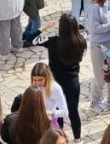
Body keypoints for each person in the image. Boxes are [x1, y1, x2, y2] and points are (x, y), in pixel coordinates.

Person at [33, 13, 87, 143]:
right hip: (73, 81)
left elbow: (31, 39)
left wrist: (45, 26)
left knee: (57, 111)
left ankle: (59, 137)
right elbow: (81, 57)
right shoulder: (81, 41)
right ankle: (78, 139)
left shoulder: (52, 41)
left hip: (55, 82)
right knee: (73, 111)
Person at [86, 0, 110, 112]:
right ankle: (95, 101)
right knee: (100, 75)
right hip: (99, 45)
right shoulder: (95, 6)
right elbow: (94, 28)